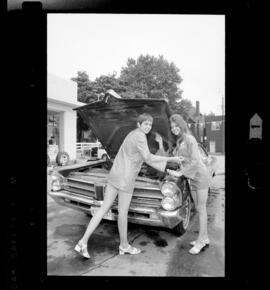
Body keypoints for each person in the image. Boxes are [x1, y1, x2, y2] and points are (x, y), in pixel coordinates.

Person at [74, 113, 182, 258]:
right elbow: (148, 158)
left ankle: (83, 241)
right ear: (139, 124)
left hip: (114, 176)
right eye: (145, 124)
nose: (148, 127)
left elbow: (134, 156)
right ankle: (124, 246)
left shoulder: (131, 134)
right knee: (122, 213)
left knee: (103, 208)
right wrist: (172, 158)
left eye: (150, 124)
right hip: (125, 179)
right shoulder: (140, 136)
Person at [156, 114, 211, 255]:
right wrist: (161, 145)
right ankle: (204, 238)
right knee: (199, 209)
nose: (174, 129)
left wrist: (180, 173)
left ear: (182, 125)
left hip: (200, 176)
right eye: (172, 127)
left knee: (201, 208)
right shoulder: (180, 140)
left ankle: (200, 242)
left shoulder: (190, 139)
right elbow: (179, 158)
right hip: (191, 178)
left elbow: (195, 160)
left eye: (176, 126)